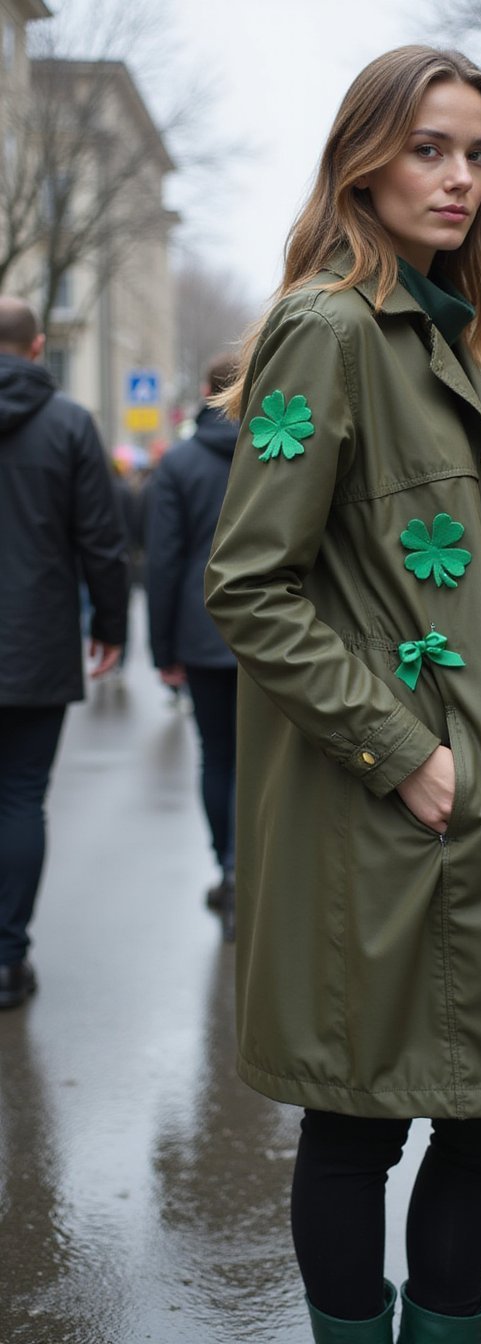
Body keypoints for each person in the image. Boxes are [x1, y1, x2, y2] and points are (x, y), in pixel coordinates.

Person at [205, 47, 481, 1344]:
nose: (461, 179)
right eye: (430, 148)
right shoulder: (330, 331)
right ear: (364, 159)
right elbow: (253, 583)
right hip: (395, 813)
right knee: (358, 1114)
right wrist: (409, 752)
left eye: (479, 155)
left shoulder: (441, 331)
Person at [0, 297, 128, 1010]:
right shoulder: (70, 424)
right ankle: (8, 958)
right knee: (20, 798)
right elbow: (102, 543)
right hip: (36, 642)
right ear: (39, 345)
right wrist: (111, 626)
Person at [146, 354, 240, 939]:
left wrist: (163, 650)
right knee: (263, 762)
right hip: (277, 635)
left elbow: (163, 560)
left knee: (218, 756)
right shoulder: (275, 450)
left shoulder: (178, 463)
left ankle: (227, 868)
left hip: (202, 630)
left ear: (206, 394)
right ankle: (254, 867)